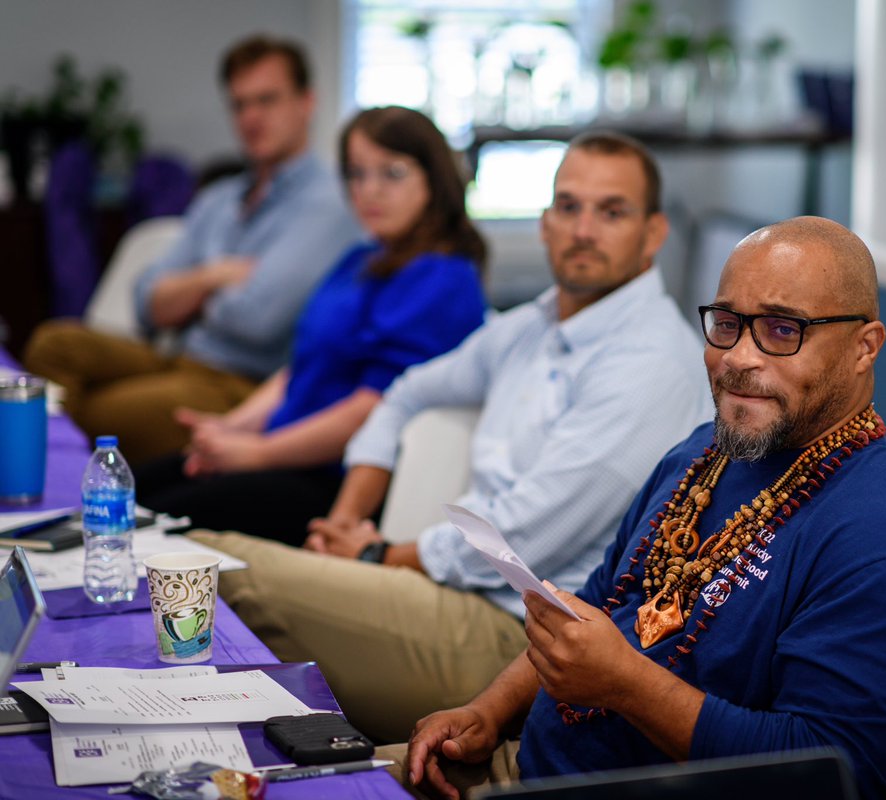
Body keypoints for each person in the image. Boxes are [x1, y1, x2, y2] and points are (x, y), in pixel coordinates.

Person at [390, 217, 886, 800]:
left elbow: (828, 778)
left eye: (780, 330)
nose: (738, 357)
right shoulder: (701, 452)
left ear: (863, 348)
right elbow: (597, 604)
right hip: (525, 763)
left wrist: (625, 685)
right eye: (726, 324)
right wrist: (488, 711)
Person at [190, 130, 715, 742]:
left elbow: (526, 534)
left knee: (218, 566)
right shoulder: (532, 326)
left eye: (612, 211)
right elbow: (406, 389)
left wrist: (376, 555)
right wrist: (346, 517)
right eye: (568, 207)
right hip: (449, 585)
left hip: (519, 639)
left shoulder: (650, 362)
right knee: (210, 556)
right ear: (545, 223)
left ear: (654, 233)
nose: (583, 229)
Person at [133, 106, 488, 542]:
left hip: (337, 480)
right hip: (285, 452)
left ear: (434, 180)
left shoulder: (443, 278)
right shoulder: (362, 259)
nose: (369, 191)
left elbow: (372, 410)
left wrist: (257, 453)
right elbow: (302, 367)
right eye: (356, 174)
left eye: (390, 173)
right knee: (132, 490)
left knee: (153, 523)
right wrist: (233, 427)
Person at [23, 34, 361, 465]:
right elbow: (146, 300)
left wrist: (185, 297)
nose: (251, 117)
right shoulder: (218, 198)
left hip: (238, 384)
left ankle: (50, 502)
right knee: (53, 343)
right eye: (239, 104)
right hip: (173, 355)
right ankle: (42, 493)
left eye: (267, 100)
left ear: (306, 102)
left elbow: (257, 319)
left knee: (88, 414)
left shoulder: (330, 201)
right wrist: (214, 277)